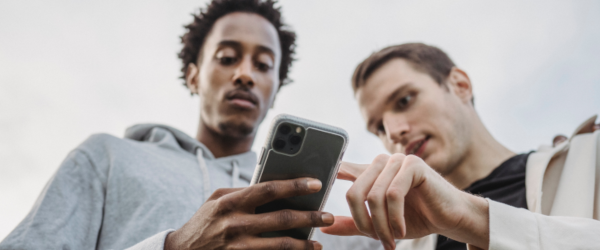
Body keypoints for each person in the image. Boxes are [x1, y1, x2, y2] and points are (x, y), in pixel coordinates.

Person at [0, 1, 335, 249]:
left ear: (275, 90)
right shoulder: (107, 156)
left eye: (263, 65)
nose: (245, 74)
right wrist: (172, 246)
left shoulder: (313, 205)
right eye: (227, 58)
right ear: (193, 76)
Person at [320, 43, 600, 250]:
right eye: (379, 127)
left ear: (460, 85)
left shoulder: (590, 159)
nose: (394, 132)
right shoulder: (402, 242)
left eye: (404, 100)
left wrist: (472, 220)